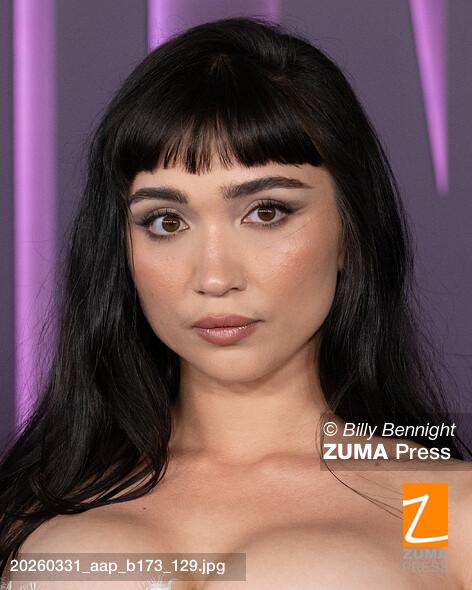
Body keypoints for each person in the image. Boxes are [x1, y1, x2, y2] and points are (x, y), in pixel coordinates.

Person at [0, 16, 471, 590]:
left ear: (352, 229)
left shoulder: (435, 505)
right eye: (166, 221)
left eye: (266, 212)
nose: (215, 277)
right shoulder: (38, 501)